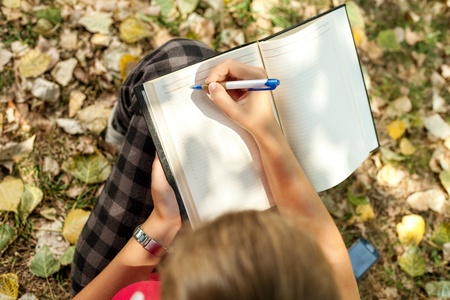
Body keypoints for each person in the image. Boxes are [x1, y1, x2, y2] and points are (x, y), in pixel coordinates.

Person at [71, 38, 360, 299]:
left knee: (174, 64)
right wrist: (266, 132)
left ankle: (124, 130)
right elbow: (327, 249)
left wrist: (163, 224)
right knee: (184, 67)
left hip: (115, 278)